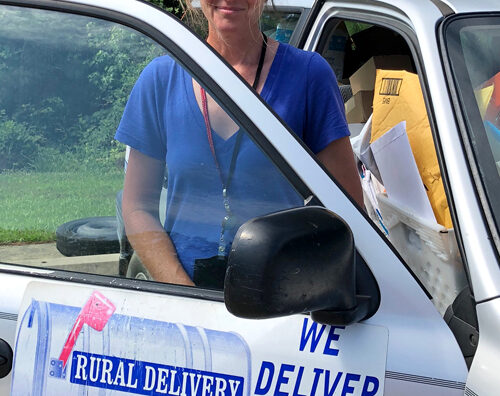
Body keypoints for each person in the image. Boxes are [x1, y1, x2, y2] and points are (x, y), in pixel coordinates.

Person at [115, 0, 363, 287]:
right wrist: (188, 296)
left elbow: (348, 212)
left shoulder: (309, 76)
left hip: (285, 307)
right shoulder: (160, 80)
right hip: (188, 304)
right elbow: (137, 208)